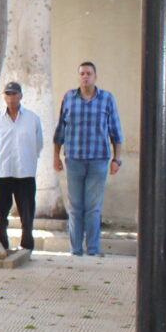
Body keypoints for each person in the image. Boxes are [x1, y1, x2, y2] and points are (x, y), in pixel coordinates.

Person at [52, 61, 123, 257]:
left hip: (98, 160)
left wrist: (116, 159)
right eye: (82, 73)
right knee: (75, 207)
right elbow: (60, 130)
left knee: (93, 207)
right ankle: (75, 250)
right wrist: (56, 156)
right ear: (78, 76)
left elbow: (115, 131)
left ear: (95, 77)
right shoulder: (69, 98)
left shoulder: (106, 99)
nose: (85, 76)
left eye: (89, 73)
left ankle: (92, 249)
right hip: (74, 160)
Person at [0, 81, 44, 254]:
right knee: (1, 211)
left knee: (26, 210)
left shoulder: (32, 119)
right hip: (3, 171)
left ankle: (27, 242)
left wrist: (29, 158)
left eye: (14, 94)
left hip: (25, 172)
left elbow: (38, 143)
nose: (11, 97)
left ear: (20, 96)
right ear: (4, 96)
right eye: (8, 94)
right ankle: (2, 241)